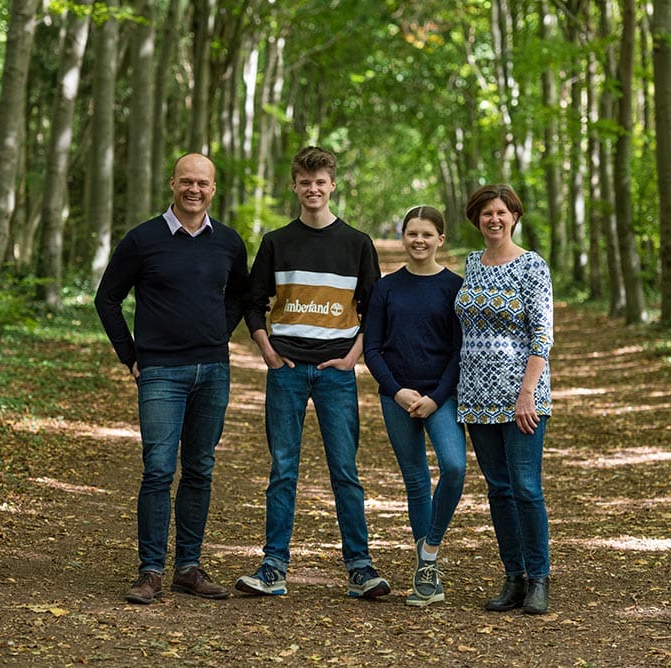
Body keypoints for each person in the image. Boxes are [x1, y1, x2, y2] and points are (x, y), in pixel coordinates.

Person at [234, 146, 390, 599]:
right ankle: (273, 566)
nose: (313, 189)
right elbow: (253, 301)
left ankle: (360, 567)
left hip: (336, 371)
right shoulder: (276, 242)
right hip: (286, 369)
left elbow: (373, 308)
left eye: (321, 182)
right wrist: (265, 347)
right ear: (295, 186)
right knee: (283, 469)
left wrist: (354, 356)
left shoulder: (357, 243)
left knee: (345, 470)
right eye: (305, 182)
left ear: (332, 185)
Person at [94, 153, 248, 604]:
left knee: (199, 469)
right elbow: (107, 299)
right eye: (186, 181)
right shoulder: (143, 239)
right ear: (172, 183)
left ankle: (189, 567)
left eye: (202, 183)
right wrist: (131, 356)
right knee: (159, 471)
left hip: (214, 371)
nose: (194, 189)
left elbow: (241, 292)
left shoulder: (229, 242)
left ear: (213, 188)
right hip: (160, 371)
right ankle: (150, 571)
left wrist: (221, 330)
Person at [454, 184, 554, 615]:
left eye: (501, 212)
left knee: (526, 488)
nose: (494, 219)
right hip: (476, 395)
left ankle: (538, 579)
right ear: (476, 219)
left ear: (514, 215)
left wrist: (527, 393)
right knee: (498, 489)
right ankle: (512, 577)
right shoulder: (472, 263)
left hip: (521, 396)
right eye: (486, 213)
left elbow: (542, 333)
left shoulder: (532, 265)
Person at [363, 205, 466, 607]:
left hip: (441, 396)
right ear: (402, 238)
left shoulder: (455, 286)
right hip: (396, 396)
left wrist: (436, 396)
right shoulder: (387, 288)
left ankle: (431, 547)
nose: (419, 241)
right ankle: (427, 572)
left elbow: (460, 351)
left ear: (441, 239)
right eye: (412, 234)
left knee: (454, 467)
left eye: (427, 234)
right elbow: (372, 348)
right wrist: (395, 390)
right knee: (417, 480)